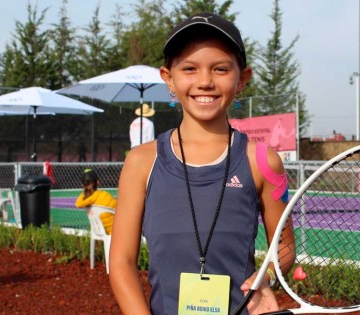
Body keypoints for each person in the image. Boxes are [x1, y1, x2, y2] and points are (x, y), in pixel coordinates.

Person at [109, 12, 295, 315]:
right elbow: (121, 262)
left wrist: (267, 278)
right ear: (169, 78)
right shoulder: (141, 162)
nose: (205, 82)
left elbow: (285, 247)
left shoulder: (262, 161)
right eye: (189, 69)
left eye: (220, 69)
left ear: (242, 78)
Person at [75, 169, 116, 234]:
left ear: (83, 185)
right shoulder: (105, 196)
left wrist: (84, 191)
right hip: (113, 231)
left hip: (98, 232)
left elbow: (78, 203)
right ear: (97, 182)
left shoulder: (84, 200)